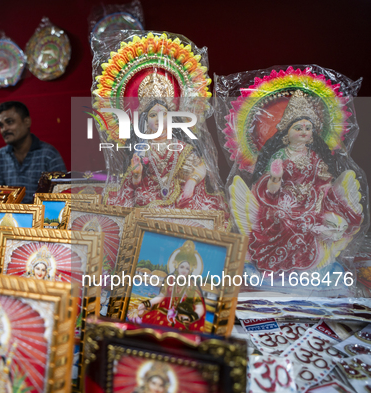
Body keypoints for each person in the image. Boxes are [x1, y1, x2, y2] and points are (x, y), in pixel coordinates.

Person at [233, 91, 363, 272]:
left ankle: (317, 260)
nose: (304, 132)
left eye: (308, 128)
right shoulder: (279, 155)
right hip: (284, 203)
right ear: (287, 131)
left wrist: (322, 200)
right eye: (298, 128)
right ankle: (288, 263)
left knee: (331, 221)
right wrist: (275, 178)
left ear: (312, 133)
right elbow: (270, 190)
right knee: (287, 220)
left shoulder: (315, 157)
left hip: (313, 201)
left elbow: (323, 182)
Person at [107, 74, 226, 213]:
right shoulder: (141, 149)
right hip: (149, 199)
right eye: (153, 115)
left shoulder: (181, 146)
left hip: (179, 197)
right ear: (145, 120)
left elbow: (199, 166)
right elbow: (133, 184)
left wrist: (191, 183)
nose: (158, 119)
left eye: (163, 114)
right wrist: (136, 174)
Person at [0, 101, 66, 203]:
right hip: (9, 218)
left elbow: (63, 198)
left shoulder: (49, 155)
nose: (4, 129)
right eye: (1, 125)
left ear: (27, 122)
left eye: (9, 122)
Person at [137, 240, 206, 332]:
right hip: (165, 313)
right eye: (182, 267)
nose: (184, 270)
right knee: (151, 318)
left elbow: (199, 308)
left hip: (182, 319)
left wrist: (192, 317)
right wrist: (147, 303)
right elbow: (161, 296)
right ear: (177, 266)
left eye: (187, 268)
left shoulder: (192, 286)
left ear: (191, 270)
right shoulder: (170, 280)